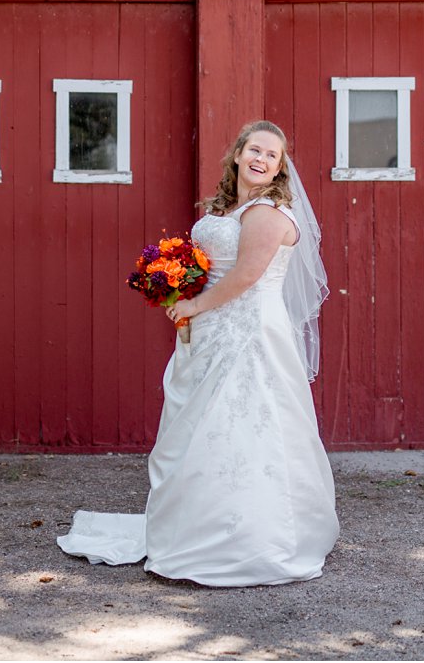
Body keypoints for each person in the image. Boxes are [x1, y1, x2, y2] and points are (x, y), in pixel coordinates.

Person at [57, 120, 339, 586]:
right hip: (210, 331)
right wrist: (175, 280)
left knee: (243, 425)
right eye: (254, 149)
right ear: (237, 154)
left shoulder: (268, 213)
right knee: (198, 427)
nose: (262, 159)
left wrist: (192, 303)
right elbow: (213, 264)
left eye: (272, 155)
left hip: (248, 334)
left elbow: (246, 276)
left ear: (280, 168)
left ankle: (247, 537)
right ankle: (191, 524)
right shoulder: (229, 207)